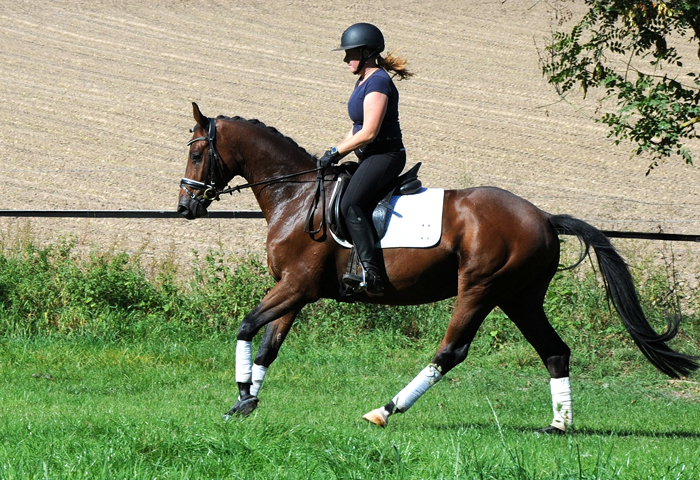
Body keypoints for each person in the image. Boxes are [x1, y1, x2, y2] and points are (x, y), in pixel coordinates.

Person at [318, 22, 413, 295]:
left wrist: (338, 152)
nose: (346, 58)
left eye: (351, 53)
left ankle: (372, 275)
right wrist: (335, 150)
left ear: (368, 53)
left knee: (350, 203)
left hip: (386, 155)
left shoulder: (379, 81)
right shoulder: (363, 81)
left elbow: (370, 131)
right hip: (370, 155)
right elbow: (358, 125)